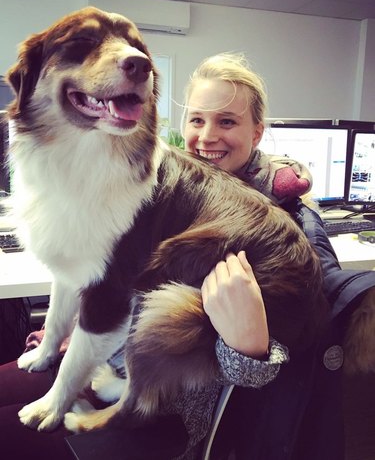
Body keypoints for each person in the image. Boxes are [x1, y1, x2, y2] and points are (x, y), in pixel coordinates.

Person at [0, 51, 374, 460]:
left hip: (170, 412)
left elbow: (272, 381)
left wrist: (248, 344)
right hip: (99, 355)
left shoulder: (285, 225)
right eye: (197, 119)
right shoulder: (165, 183)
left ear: (257, 133)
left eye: (227, 121)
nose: (207, 136)